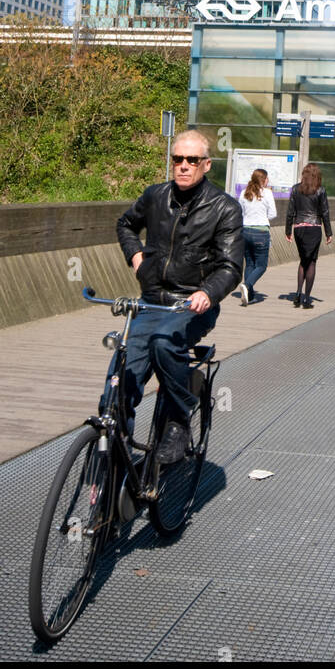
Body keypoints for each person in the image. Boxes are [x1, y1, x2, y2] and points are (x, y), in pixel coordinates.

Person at [115, 130, 243, 462]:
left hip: (191, 304)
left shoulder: (223, 208)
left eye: (192, 160)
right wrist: (136, 257)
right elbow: (126, 224)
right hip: (151, 301)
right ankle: (117, 453)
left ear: (206, 165)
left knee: (163, 342)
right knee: (121, 373)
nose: (183, 166)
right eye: (177, 159)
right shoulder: (155, 196)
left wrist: (207, 292)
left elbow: (230, 267)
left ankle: (178, 417)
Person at [285, 161, 332, 308]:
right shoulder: (320, 190)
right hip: (314, 228)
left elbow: (290, 211)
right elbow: (325, 212)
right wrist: (328, 232)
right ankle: (306, 299)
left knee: (302, 261)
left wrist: (288, 230)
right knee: (311, 262)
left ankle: (297, 294)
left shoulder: (295, 189)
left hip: (299, 227)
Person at [238, 167, 276, 306]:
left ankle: (250, 296)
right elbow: (273, 214)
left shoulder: (244, 193)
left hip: (245, 231)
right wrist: (262, 217)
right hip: (261, 232)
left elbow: (240, 212)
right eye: (267, 179)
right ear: (264, 180)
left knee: (250, 263)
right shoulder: (267, 193)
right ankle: (247, 285)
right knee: (261, 266)